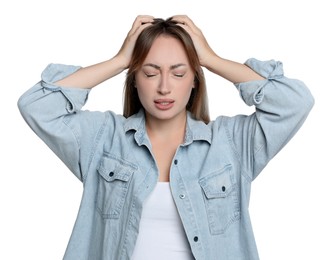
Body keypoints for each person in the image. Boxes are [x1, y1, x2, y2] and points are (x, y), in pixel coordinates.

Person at [18, 15, 314, 260]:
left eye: (178, 73)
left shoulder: (231, 144)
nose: (163, 87)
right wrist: (120, 60)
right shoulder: (103, 139)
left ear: (195, 80)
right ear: (134, 80)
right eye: (149, 73)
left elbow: (294, 102)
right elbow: (36, 105)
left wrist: (211, 58)